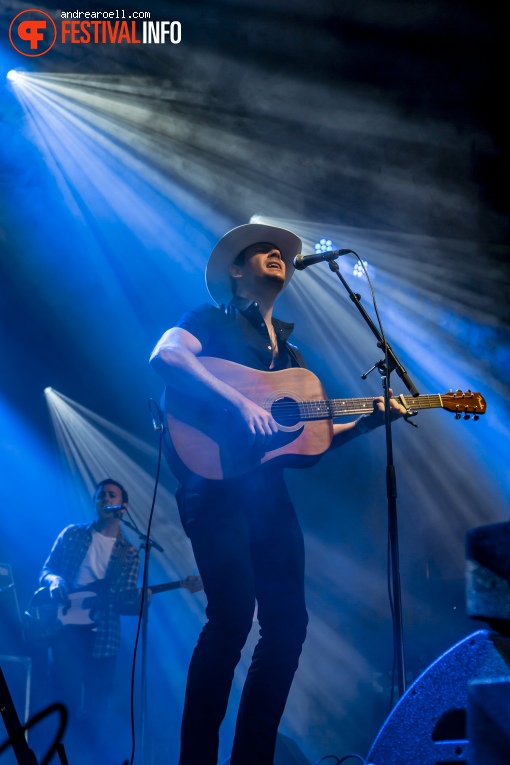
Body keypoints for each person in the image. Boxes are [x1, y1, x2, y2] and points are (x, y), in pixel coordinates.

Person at [150, 223, 407, 765]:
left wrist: (366, 422)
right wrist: (239, 404)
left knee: (288, 627)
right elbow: (167, 358)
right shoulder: (208, 320)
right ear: (236, 272)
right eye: (260, 251)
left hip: (266, 497)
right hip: (212, 485)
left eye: (281, 253)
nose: (277, 255)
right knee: (232, 617)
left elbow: (310, 441)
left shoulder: (292, 358)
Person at [38, 478, 146, 765]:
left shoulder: (130, 552)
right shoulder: (72, 535)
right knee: (64, 702)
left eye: (112, 495)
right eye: (102, 495)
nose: (106, 498)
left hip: (104, 636)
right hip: (64, 629)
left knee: (97, 710)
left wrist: (140, 601)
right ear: (96, 502)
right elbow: (47, 570)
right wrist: (55, 580)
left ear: (123, 507)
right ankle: (55, 756)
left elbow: (122, 601)